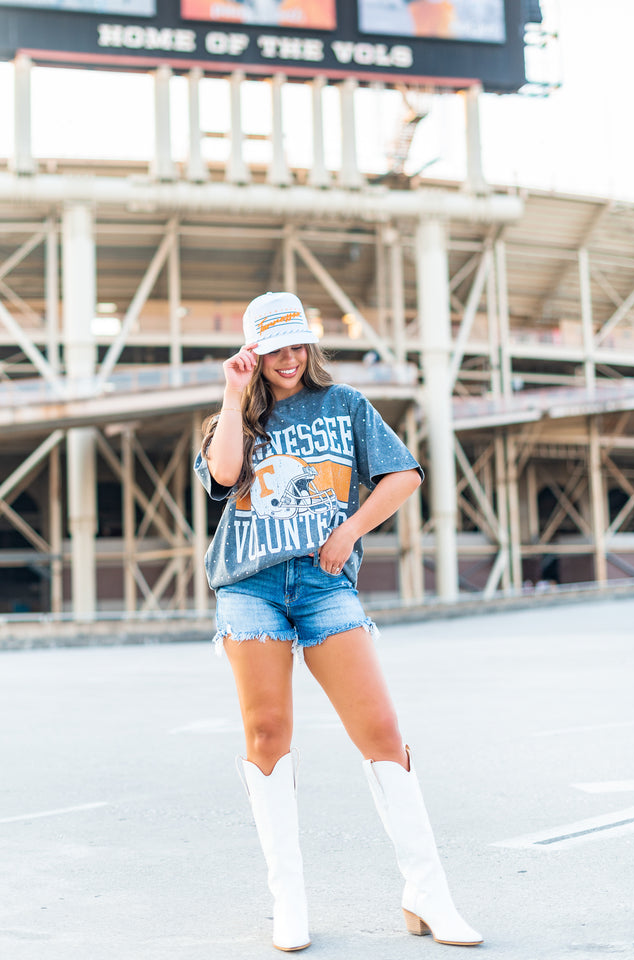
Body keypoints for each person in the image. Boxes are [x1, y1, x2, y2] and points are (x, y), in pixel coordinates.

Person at [194, 292, 482, 952]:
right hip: (251, 585)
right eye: (273, 350)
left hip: (326, 584)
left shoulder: (344, 404)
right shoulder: (232, 416)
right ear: (254, 354)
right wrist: (233, 395)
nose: (289, 358)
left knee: (379, 728)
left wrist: (350, 530)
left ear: (310, 346)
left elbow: (403, 476)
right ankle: (287, 901)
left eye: (297, 345)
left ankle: (427, 893)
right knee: (267, 732)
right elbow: (226, 473)